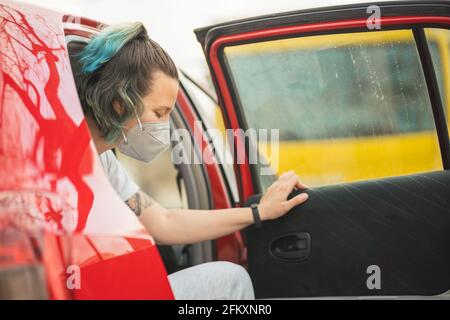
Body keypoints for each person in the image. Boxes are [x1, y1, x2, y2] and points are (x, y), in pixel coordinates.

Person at [73, 22, 309, 300]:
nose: (164, 126)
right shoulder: (62, 156)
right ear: (120, 103)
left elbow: (164, 222)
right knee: (231, 279)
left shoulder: (104, 163)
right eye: (159, 113)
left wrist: (259, 212)